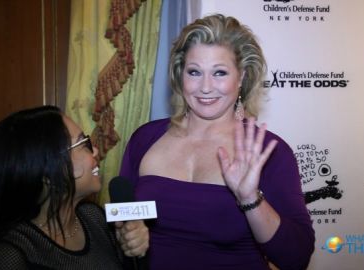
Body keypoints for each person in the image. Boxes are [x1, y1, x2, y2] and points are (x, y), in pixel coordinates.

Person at [119, 14, 315, 270]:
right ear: (181, 75)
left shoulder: (268, 152)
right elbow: (121, 221)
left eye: (220, 72)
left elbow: (296, 257)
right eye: (194, 72)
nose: (206, 87)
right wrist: (127, 236)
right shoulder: (144, 139)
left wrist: (249, 198)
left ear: (241, 77)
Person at [0, 105, 149, 269]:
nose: (95, 151)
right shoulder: (10, 254)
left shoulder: (94, 217)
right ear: (47, 170)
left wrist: (134, 250)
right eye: (83, 143)